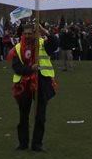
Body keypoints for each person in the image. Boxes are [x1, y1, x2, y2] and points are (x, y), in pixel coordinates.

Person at [8, 20, 58, 152]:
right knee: (23, 116)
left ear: (35, 33)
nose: (28, 36)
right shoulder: (18, 48)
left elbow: (55, 44)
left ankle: (37, 144)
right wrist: (30, 68)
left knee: (40, 116)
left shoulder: (42, 44)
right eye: (25, 33)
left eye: (30, 33)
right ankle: (23, 143)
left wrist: (44, 31)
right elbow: (16, 67)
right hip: (24, 85)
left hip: (42, 82)